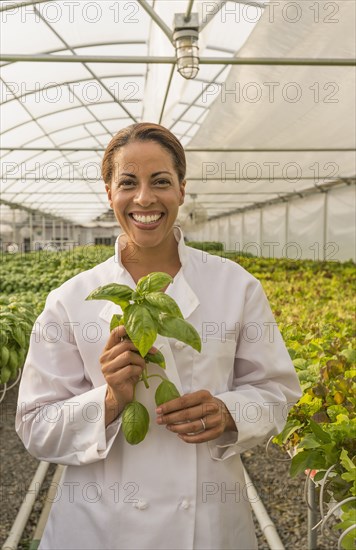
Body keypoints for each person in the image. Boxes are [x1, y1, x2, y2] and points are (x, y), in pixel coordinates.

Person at [16, 122, 302, 550]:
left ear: (182, 190)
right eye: (128, 183)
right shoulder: (71, 299)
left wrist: (230, 412)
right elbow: (36, 426)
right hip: (100, 525)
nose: (145, 198)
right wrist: (111, 400)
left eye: (161, 182)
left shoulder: (235, 286)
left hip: (205, 523)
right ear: (109, 192)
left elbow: (277, 393)